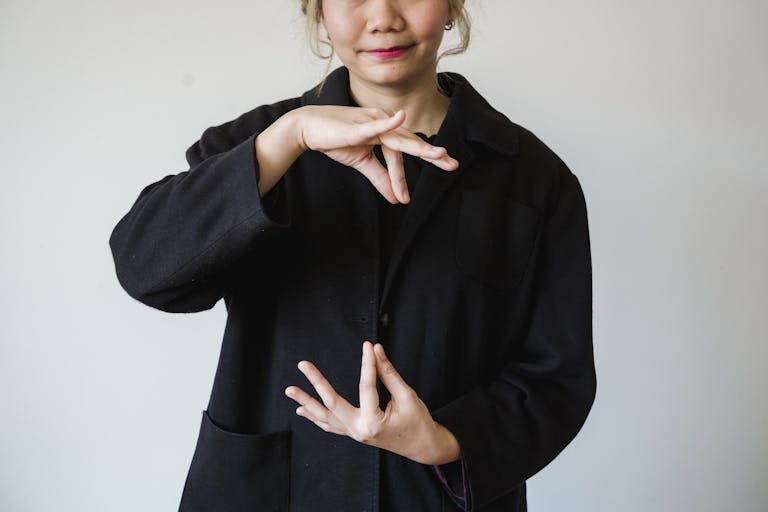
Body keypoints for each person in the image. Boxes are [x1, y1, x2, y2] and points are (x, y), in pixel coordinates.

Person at [108, 0, 596, 510]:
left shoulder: (536, 178)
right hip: (273, 490)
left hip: (437, 497)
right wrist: (289, 139)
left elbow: (556, 377)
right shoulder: (258, 146)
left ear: (452, 6)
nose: (383, 17)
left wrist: (445, 440)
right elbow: (145, 268)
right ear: (318, 12)